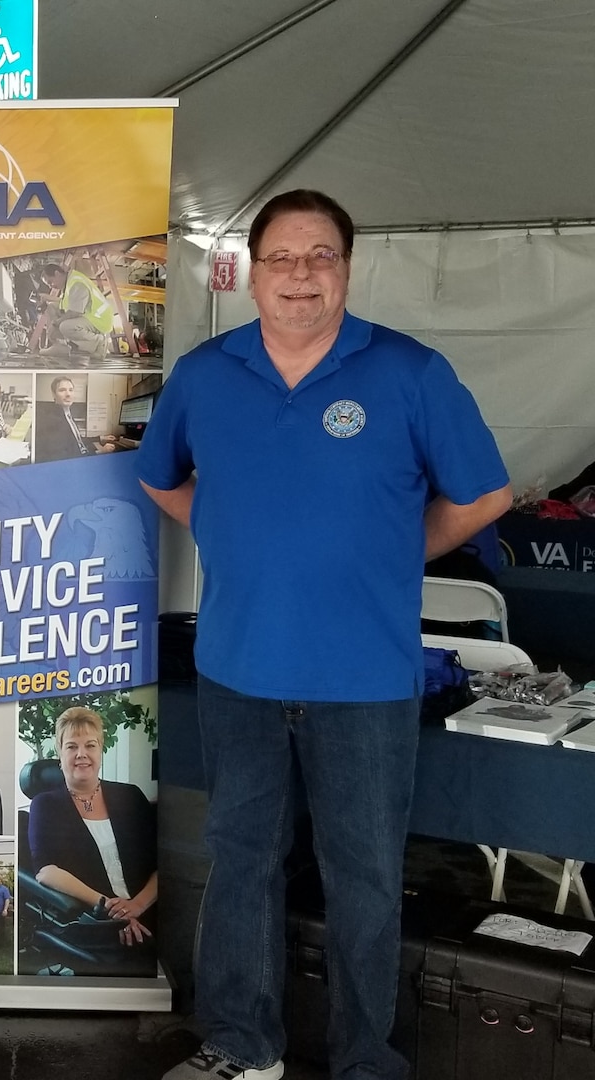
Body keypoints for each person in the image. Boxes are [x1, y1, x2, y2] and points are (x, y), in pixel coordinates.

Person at [138, 190, 511, 1080]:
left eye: (321, 256)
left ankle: (364, 1062)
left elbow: (486, 495)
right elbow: (160, 478)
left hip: (365, 680)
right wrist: (225, 530)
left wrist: (397, 552)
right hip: (239, 671)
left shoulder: (410, 372)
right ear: (251, 273)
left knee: (367, 880)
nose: (300, 274)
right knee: (241, 864)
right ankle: (242, 1045)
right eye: (282, 258)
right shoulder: (204, 374)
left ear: (347, 267)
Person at [27, 707, 158, 955]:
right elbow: (46, 871)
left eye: (90, 745)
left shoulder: (130, 795)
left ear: (100, 749)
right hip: (94, 917)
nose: (82, 754)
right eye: (72, 746)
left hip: (149, 908)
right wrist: (110, 909)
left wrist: (137, 905)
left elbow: (161, 863)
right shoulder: (45, 805)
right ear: (59, 752)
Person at [38, 263, 117, 357]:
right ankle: (60, 345)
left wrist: (55, 323)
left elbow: (74, 312)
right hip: (87, 316)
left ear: (57, 273)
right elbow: (67, 303)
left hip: (99, 320)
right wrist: (48, 299)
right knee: (51, 307)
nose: (51, 286)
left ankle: (99, 342)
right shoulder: (69, 283)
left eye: (50, 282)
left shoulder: (76, 283)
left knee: (65, 326)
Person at [33, 376, 116, 462]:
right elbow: (67, 457)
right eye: (62, 390)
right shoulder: (53, 420)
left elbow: (78, 440)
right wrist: (100, 452)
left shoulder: (67, 415)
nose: (68, 394)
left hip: (84, 456)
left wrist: (101, 438)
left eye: (71, 390)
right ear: (54, 394)